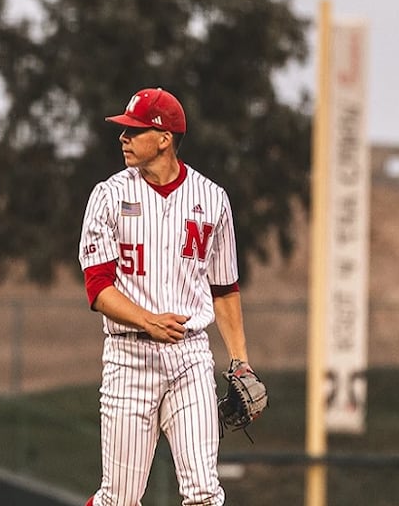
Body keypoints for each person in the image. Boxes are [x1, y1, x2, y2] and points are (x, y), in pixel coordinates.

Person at [78, 87, 253, 505]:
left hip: (189, 356)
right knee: (119, 499)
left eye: (133, 130)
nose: (122, 138)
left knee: (205, 494)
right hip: (128, 357)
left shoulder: (212, 199)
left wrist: (241, 361)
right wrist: (147, 320)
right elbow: (98, 288)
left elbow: (224, 289)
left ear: (164, 138)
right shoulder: (107, 196)